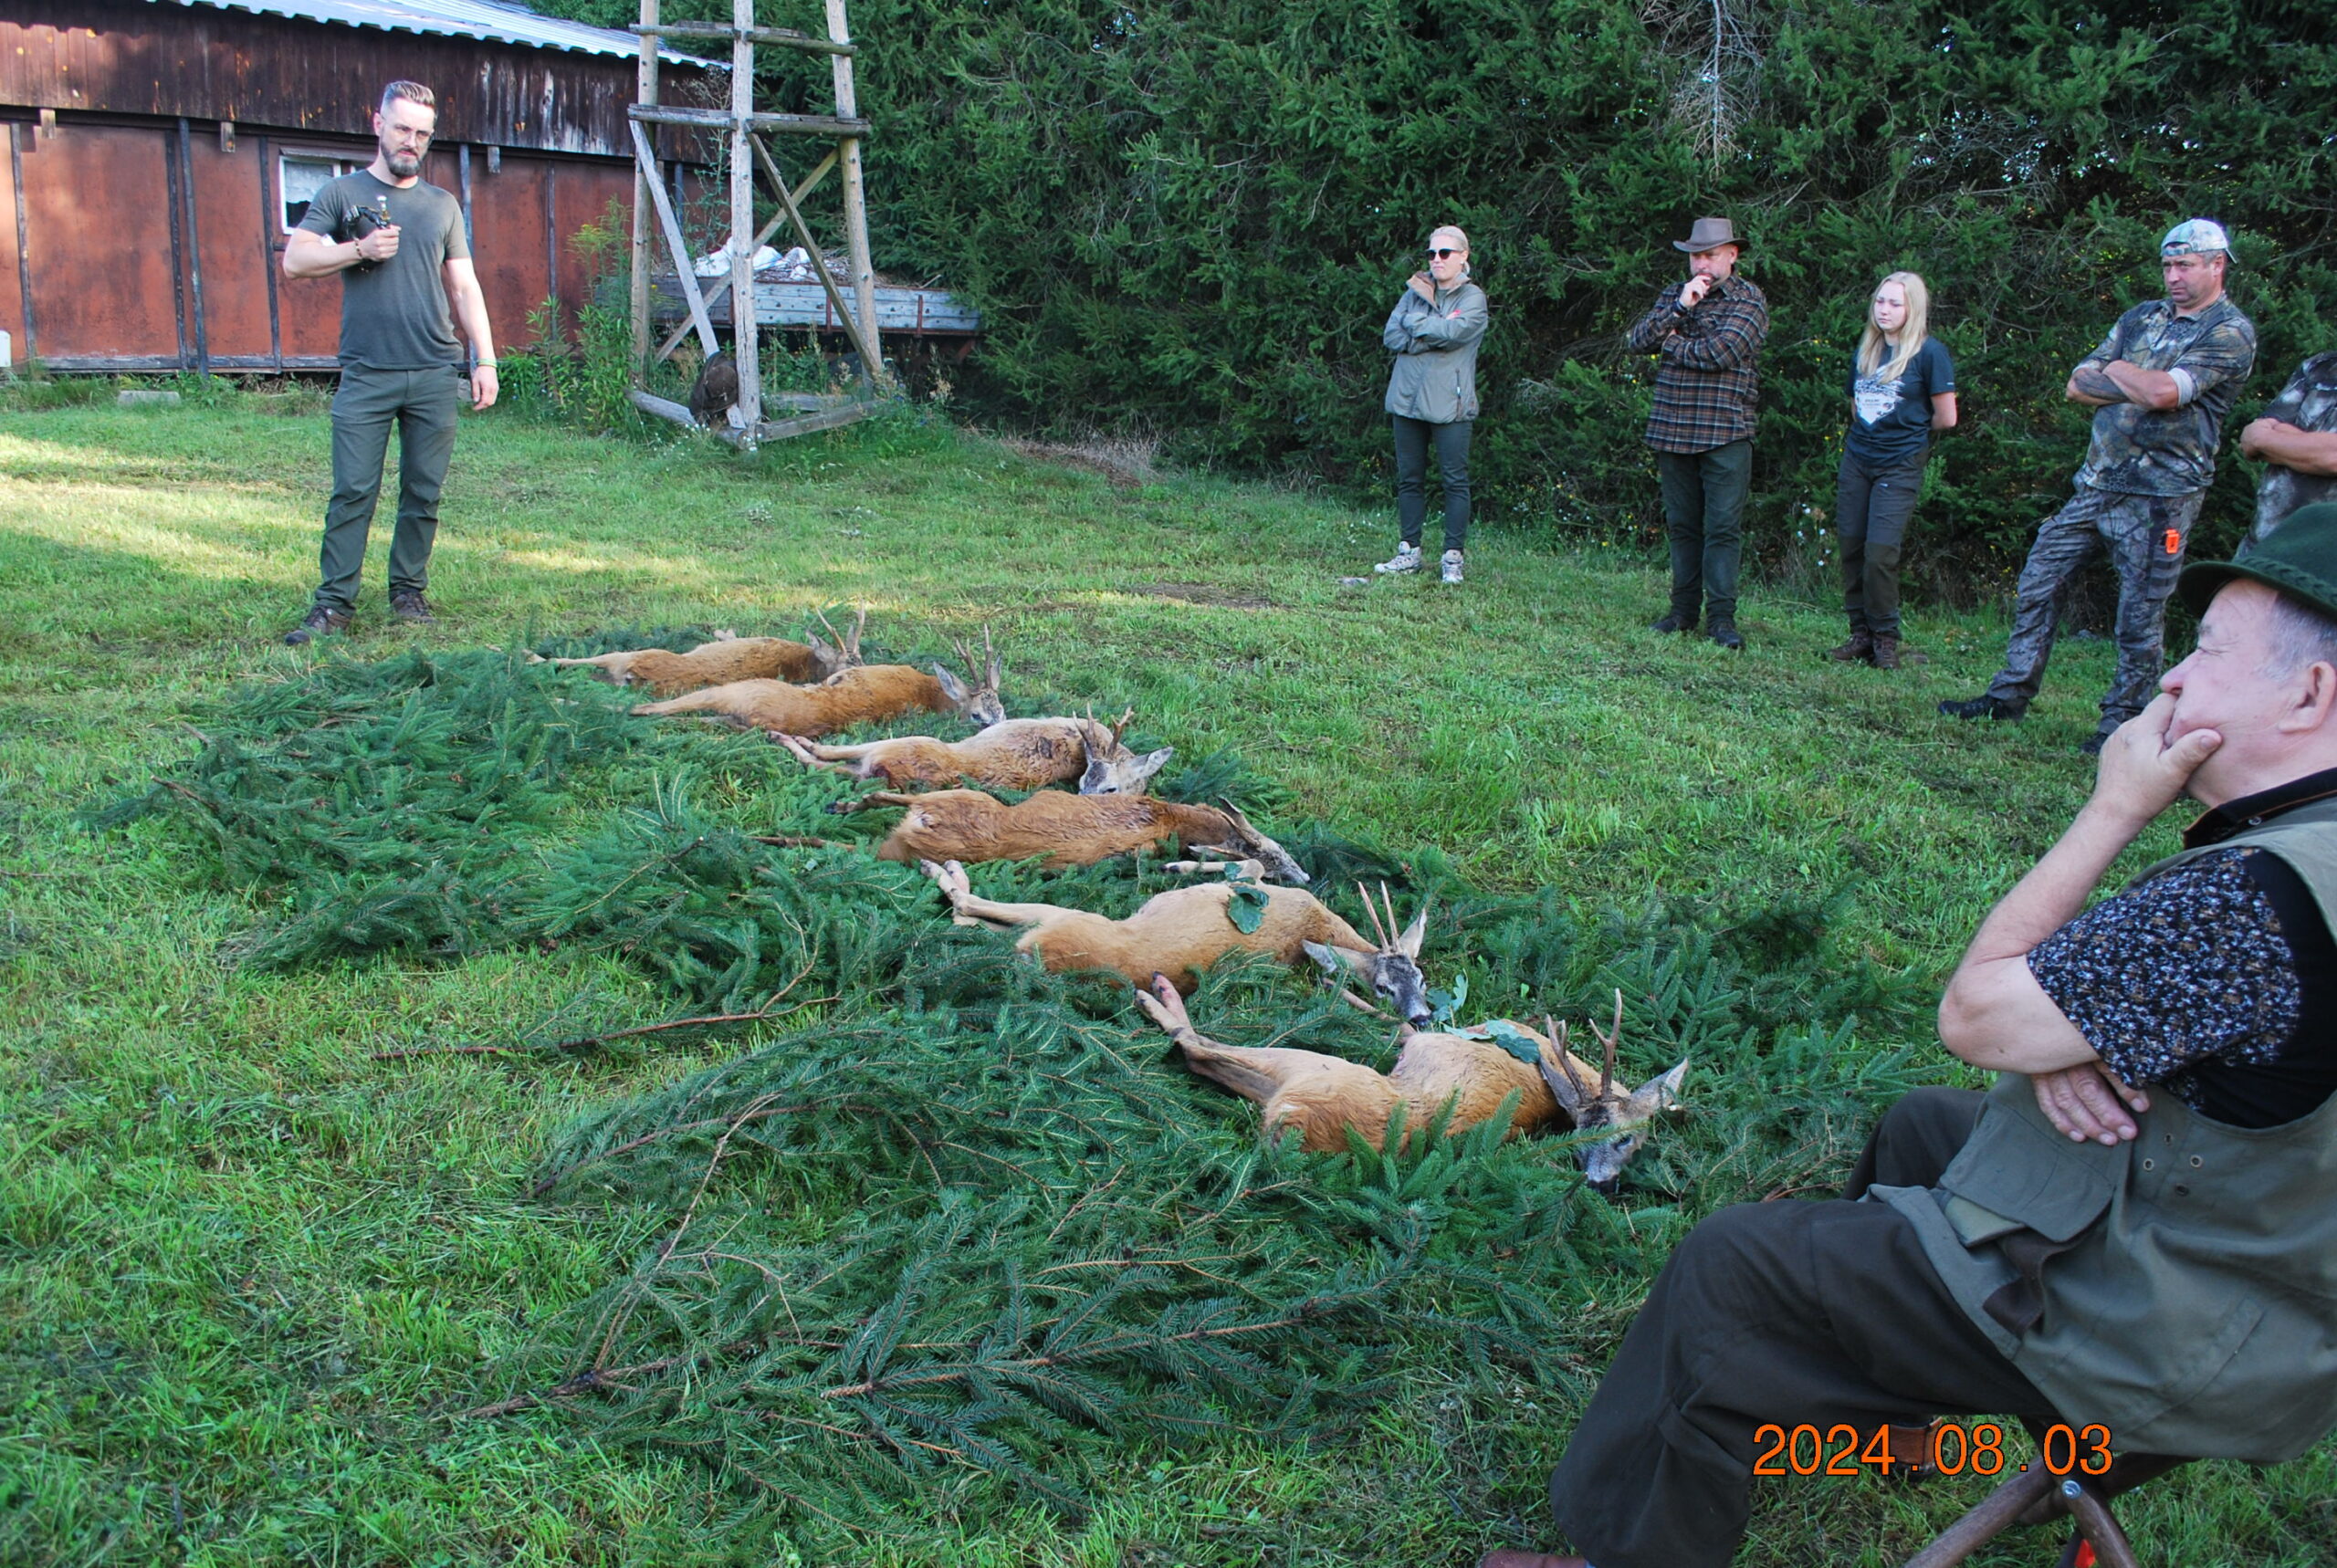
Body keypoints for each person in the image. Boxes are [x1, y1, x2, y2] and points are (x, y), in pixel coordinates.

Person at [1481, 501, 2337, 1568]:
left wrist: (2113, 808)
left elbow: (1976, 1014)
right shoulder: (2307, 855)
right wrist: (2081, 1039)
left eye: (2205, 652)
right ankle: (1880, 1415)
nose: (2170, 678)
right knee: (1923, 1128)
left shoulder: (2248, 900)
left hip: (2180, 1326)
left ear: (2309, 692)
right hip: (2270, 1278)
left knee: (1730, 1266)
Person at [1941, 218, 2255, 753]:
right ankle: (2009, 695)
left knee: (2140, 611)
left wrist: (2118, 370)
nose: (2173, 277)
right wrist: (2136, 379)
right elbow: (2077, 384)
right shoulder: (2141, 317)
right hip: (2097, 485)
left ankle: (2123, 722)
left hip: (2163, 497)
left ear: (2216, 264)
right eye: (2167, 266)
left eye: (2184, 266)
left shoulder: (2228, 331)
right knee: (2040, 579)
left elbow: (2163, 393)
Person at [281, 79, 498, 645]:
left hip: (433, 370)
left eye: (423, 134)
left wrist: (486, 359)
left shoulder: (441, 205)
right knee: (353, 490)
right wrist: (358, 249)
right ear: (378, 124)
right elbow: (295, 261)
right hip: (368, 371)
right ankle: (334, 606)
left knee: (423, 492)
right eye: (402, 128)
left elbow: (465, 286)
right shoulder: (341, 193)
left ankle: (408, 592)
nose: (411, 142)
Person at [1626, 216, 1770, 650]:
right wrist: (1679, 308)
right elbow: (1637, 340)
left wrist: (1671, 344)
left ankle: (1721, 620)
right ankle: (1682, 612)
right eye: (1696, 256)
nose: (1702, 264)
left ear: (1732, 255)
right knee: (1682, 527)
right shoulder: (1676, 294)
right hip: (1672, 428)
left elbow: (1720, 353)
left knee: (1722, 528)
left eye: (1710, 255)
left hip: (1725, 430)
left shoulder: (1748, 300)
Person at [1829, 272, 1956, 670]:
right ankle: (1860, 635)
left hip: (1899, 464)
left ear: (1912, 308)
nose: (1884, 310)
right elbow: (1855, 405)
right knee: (1852, 545)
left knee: (1880, 552)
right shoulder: (1867, 349)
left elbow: (1946, 418)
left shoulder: (1930, 353)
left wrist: (1907, 432)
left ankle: (1885, 638)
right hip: (1858, 458)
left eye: (1895, 303)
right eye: (1880, 301)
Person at [1374, 225, 1488, 586]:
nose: (1436, 260)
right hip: (1406, 401)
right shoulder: (1414, 292)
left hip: (1450, 405)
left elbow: (1454, 333)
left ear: (1463, 256)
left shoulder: (1473, 298)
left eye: (1445, 253)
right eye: (1431, 253)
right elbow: (1392, 335)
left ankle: (1453, 557)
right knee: (1409, 479)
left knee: (1454, 481)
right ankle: (1409, 551)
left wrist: (1418, 327)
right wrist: (1430, 330)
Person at [2236, 349, 2337, 550]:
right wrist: (2316, 448)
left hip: (2328, 556)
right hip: (2264, 544)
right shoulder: (2319, 366)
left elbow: (2332, 458)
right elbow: (2252, 439)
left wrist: (2275, 439)